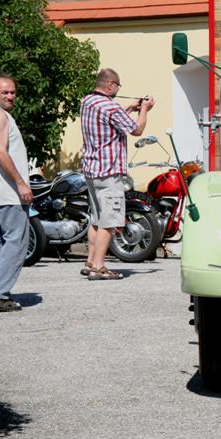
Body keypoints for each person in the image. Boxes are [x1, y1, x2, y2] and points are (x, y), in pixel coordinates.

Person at [80, 68, 155, 280]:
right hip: (109, 172)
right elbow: (136, 130)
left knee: (96, 219)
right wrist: (144, 110)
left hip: (92, 171)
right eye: (117, 86)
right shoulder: (110, 107)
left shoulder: (88, 101)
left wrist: (130, 107)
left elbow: (110, 121)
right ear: (111, 85)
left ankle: (90, 261)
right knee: (110, 220)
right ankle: (99, 267)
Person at [0, 74, 33, 312]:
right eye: (5, 93)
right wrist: (21, 184)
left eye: (13, 92)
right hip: (7, 192)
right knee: (17, 242)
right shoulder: (0, 116)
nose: (11, 96)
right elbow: (1, 153)